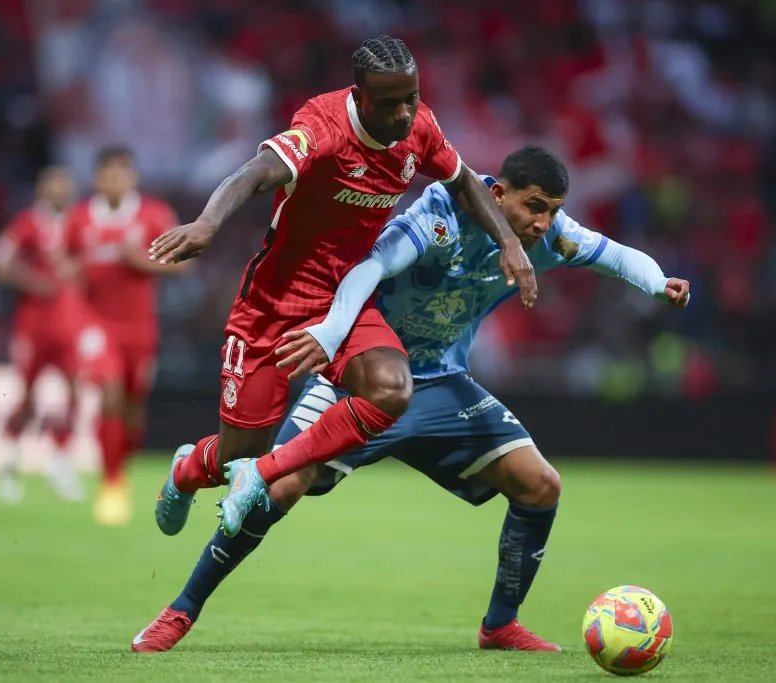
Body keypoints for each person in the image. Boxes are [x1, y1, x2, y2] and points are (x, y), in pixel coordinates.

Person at [131, 146, 690, 653]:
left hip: (442, 385)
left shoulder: (548, 237)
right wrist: (330, 336)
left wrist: (659, 283)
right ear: (497, 194)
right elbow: (368, 266)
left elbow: (614, 255)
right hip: (365, 379)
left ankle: (500, 625)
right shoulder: (438, 215)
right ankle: (180, 611)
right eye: (534, 206)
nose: (542, 222)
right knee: (277, 488)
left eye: (552, 210)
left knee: (541, 485)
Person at [149, 34, 537, 540]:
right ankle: (186, 470)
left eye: (412, 98)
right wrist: (208, 222)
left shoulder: (420, 129)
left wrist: (507, 238)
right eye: (391, 103)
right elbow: (256, 171)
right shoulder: (323, 125)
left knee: (391, 388)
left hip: (344, 301)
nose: (405, 114)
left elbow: (464, 180)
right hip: (271, 305)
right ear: (358, 96)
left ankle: (267, 471)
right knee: (238, 455)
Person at [64, 146, 187, 525]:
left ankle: (121, 468)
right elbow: (65, 265)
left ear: (132, 176)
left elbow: (184, 264)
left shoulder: (153, 214)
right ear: (98, 178)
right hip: (95, 325)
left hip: (140, 327)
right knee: (110, 393)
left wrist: (144, 263)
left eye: (123, 172)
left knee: (133, 406)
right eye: (109, 172)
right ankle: (111, 482)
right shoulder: (80, 218)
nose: (116, 179)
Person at [0, 166, 123, 506]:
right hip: (33, 325)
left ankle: (60, 463)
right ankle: (8, 462)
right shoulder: (28, 223)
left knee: (75, 390)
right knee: (28, 395)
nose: (61, 189)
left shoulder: (79, 223)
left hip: (70, 325)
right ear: (41, 188)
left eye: (66, 184)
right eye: (55, 183)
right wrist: (34, 281)